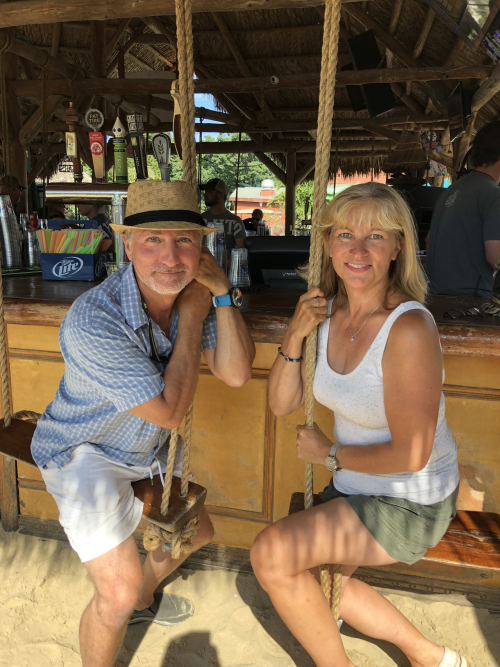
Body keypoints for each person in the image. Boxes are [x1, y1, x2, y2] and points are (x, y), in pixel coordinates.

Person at [30, 180, 255, 667]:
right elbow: (170, 412)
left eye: (184, 240)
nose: (170, 257)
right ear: (128, 246)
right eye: (153, 240)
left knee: (197, 534)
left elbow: (236, 373)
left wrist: (220, 293)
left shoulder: (195, 294)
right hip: (84, 451)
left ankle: (143, 596)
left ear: (201, 249)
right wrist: (192, 318)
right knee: (114, 593)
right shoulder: (95, 319)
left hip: (143, 449)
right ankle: (126, 603)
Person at [251, 183, 466, 667]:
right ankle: (430, 655)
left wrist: (330, 455)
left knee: (272, 555)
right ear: (328, 243)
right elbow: (281, 403)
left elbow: (412, 455)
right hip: (355, 485)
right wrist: (295, 332)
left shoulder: (408, 328)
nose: (359, 250)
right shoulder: (325, 313)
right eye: (345, 234)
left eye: (376, 236)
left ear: (398, 247)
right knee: (316, 582)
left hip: (410, 498)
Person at [426, 120, 500, 297]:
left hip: (435, 298)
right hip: (474, 301)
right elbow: (496, 256)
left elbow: (429, 241)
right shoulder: (494, 195)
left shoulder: (450, 191)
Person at [200, 178, 246, 252]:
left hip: (226, 260)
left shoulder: (235, 221)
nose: (204, 194)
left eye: (209, 191)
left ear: (220, 195)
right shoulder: (199, 219)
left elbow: (241, 250)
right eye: (205, 191)